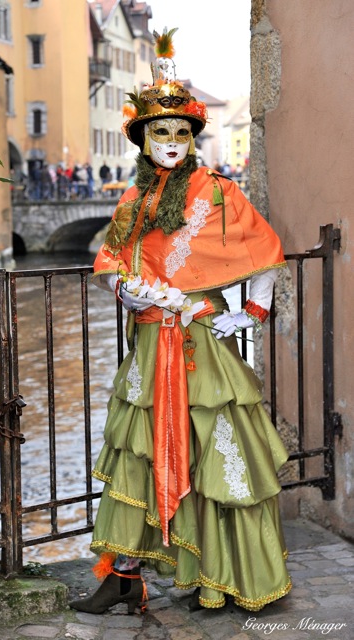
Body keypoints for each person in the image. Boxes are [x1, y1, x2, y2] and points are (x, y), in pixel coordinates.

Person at [70, 28, 291, 615]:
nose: (169, 141)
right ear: (142, 140)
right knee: (141, 451)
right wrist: (140, 293)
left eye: (179, 132)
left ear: (192, 138)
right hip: (150, 342)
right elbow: (111, 266)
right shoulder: (130, 201)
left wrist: (248, 312)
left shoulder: (218, 194)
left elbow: (267, 252)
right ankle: (125, 576)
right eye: (157, 132)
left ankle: (219, 576)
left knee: (214, 454)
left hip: (202, 346)